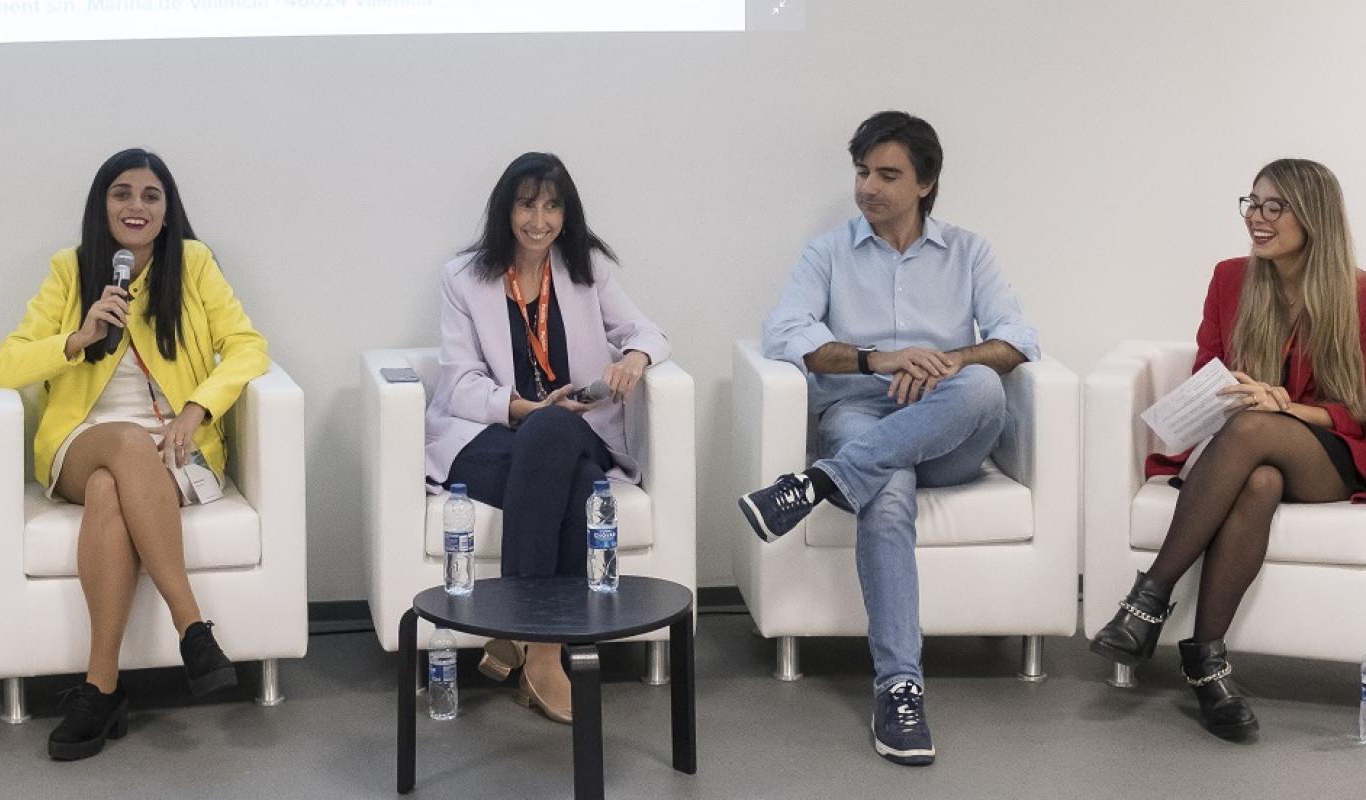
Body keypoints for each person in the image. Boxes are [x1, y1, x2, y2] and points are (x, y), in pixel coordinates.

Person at [739, 111, 1039, 766]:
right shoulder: (828, 252)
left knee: (984, 386)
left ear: (926, 183)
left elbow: (1018, 340)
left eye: (887, 174)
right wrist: (881, 359)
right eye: (862, 172)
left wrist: (950, 362)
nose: (868, 187)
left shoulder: (969, 251)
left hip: (950, 422)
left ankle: (818, 484)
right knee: (888, 487)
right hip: (861, 415)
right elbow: (787, 334)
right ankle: (899, 687)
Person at [0, 148, 269, 760]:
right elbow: (5, 365)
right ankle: (192, 627)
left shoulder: (192, 264)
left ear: (168, 212)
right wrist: (75, 338)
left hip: (172, 451)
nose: (136, 207)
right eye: (122, 194)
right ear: (102, 205)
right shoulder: (71, 269)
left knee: (111, 488)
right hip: (82, 442)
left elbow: (248, 348)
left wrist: (198, 408)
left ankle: (101, 689)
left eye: (150, 196)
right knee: (120, 443)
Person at [1091, 158, 1366, 740]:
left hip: (1333, 454)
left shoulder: (1359, 293)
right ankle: (1206, 664)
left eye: (1274, 207)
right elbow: (1206, 371)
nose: (1257, 220)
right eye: (1252, 204)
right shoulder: (1230, 279)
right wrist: (1234, 393)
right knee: (1260, 478)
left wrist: (1285, 406)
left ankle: (1146, 602)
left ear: (1312, 217)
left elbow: (1361, 410)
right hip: (1247, 447)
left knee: (1253, 433)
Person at [426, 151, 669, 725]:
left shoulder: (585, 268)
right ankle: (545, 654)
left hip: (578, 429)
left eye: (553, 206)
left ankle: (517, 633)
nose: (540, 220)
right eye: (528, 204)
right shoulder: (463, 276)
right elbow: (460, 384)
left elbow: (648, 330)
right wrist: (527, 409)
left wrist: (633, 358)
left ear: (568, 213)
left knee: (559, 432)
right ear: (505, 209)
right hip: (490, 433)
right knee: (580, 482)